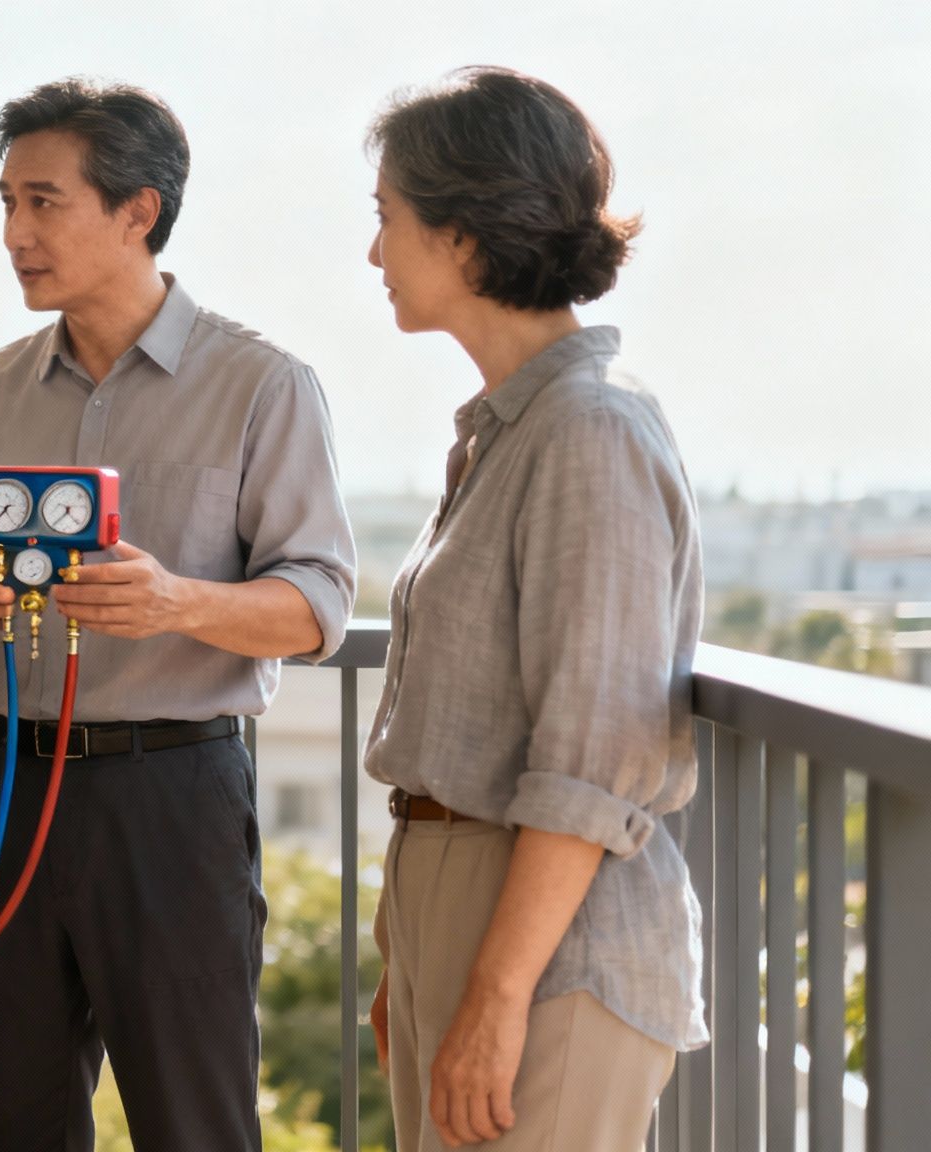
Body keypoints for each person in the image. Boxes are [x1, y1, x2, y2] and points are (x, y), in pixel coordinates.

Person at [0, 78, 357, 1150]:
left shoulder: (262, 385)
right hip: (4, 786)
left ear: (137, 211)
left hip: (173, 795)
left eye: (43, 202)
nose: (14, 233)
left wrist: (173, 602)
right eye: (5, 202)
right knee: (10, 1121)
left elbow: (319, 603)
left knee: (190, 1124)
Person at [360, 67, 708, 1151]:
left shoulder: (585, 432)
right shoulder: (514, 428)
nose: (372, 254)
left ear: (462, 238)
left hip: (544, 941)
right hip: (458, 903)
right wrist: (409, 954)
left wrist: (493, 994)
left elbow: (592, 753)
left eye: (385, 220)